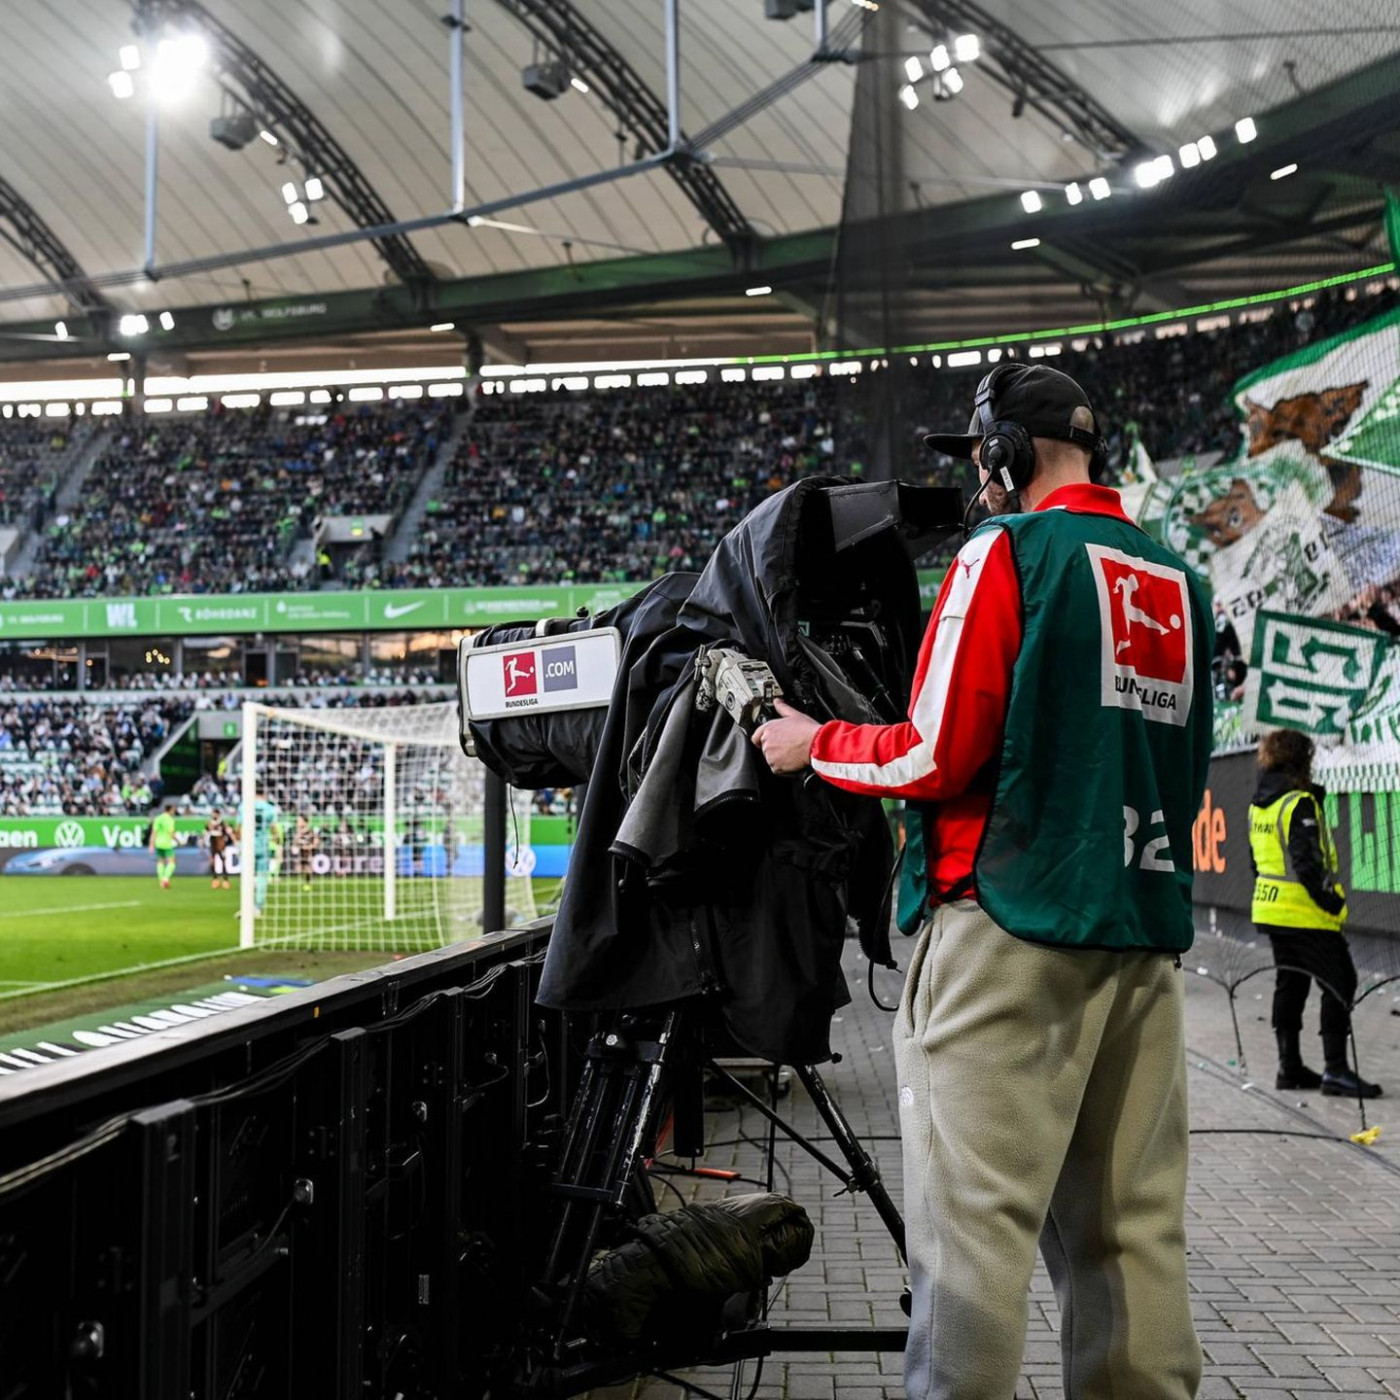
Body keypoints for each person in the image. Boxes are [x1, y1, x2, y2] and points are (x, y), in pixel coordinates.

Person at [753, 362, 1213, 1400]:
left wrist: (808, 739)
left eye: (977, 459)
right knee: (1130, 1239)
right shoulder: (1179, 580)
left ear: (1007, 451)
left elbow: (929, 754)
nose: (975, 482)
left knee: (970, 1246)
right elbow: (1179, 771)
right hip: (1137, 936)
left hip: (1003, 932)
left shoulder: (1001, 553)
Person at [1249, 728, 1381, 1098]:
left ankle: (1288, 1068)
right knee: (1340, 983)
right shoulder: (1297, 802)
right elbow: (1307, 864)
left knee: (1290, 984)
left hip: (1272, 909)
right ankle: (1336, 1071)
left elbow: (1255, 862)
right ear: (1302, 759)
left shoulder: (1259, 802)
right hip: (1303, 913)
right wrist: (1332, 902)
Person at [148, 802, 179, 890]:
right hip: (166, 843)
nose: (174, 811)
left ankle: (161, 881)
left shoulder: (158, 819)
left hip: (158, 843)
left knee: (160, 862)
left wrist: (151, 844)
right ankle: (165, 879)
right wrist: (179, 841)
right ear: (170, 810)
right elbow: (171, 833)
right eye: (173, 810)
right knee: (172, 862)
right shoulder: (170, 820)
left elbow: (154, 832)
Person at [205, 806, 234, 890]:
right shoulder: (209, 823)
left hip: (220, 843)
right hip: (212, 842)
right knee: (212, 861)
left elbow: (228, 832)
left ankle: (225, 880)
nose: (214, 815)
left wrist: (234, 840)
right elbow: (206, 832)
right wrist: (203, 842)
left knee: (223, 861)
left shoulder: (222, 823)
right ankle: (215, 879)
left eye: (215, 813)